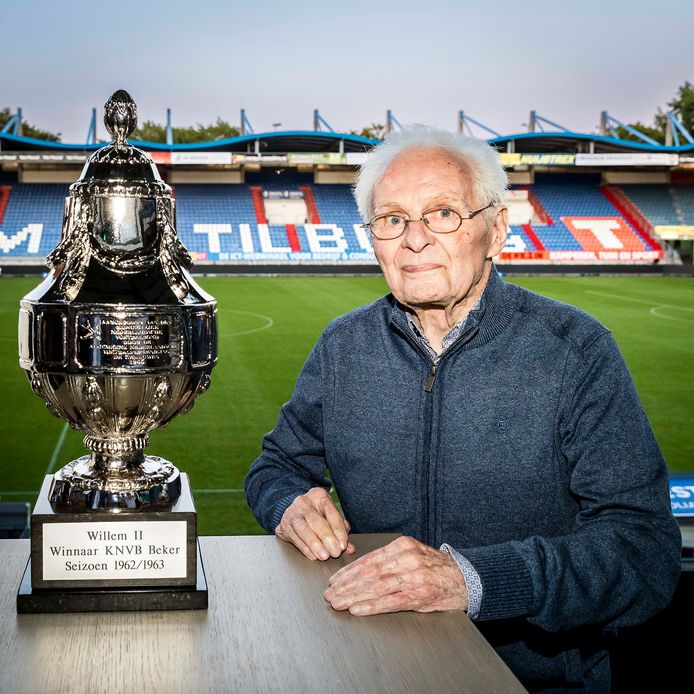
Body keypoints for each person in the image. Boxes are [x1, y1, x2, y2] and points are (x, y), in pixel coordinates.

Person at [244, 128, 681, 691]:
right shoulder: (342, 346)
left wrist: (473, 581)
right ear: (373, 238)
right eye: (392, 219)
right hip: (368, 669)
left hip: (533, 680)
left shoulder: (576, 351)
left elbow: (644, 553)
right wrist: (288, 502)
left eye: (443, 213)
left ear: (495, 230)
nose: (414, 240)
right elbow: (275, 465)